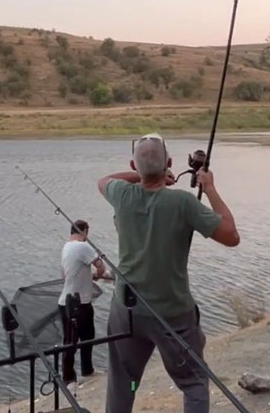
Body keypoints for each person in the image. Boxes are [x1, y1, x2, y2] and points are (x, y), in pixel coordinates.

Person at [97, 132, 240, 413]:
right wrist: (209, 187)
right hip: (173, 314)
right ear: (170, 163)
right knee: (194, 382)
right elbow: (231, 236)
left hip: (126, 310)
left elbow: (103, 181)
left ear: (133, 165)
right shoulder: (183, 204)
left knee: (125, 382)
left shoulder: (122, 195)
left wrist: (140, 173)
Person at [59, 219, 107, 383]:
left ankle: (68, 377)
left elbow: (65, 274)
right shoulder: (83, 246)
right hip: (79, 303)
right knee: (87, 338)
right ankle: (86, 371)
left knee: (69, 341)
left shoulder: (66, 247)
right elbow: (101, 267)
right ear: (85, 231)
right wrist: (97, 276)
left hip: (66, 301)